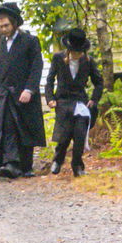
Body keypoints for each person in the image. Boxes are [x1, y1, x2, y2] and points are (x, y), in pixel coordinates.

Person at [0, 2, 46, 178]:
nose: (3, 29)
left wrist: (29, 89)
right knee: (7, 128)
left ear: (15, 23)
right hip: (4, 94)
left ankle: (26, 166)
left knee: (25, 128)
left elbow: (36, 67)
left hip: (23, 93)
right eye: (0, 26)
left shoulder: (29, 41)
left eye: (6, 25)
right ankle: (11, 163)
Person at [45, 27, 103, 176]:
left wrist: (94, 99)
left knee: (80, 134)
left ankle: (77, 166)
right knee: (64, 135)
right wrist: (50, 98)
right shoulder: (58, 58)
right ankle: (58, 160)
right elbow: (50, 80)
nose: (77, 55)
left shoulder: (88, 61)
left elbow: (98, 82)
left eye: (80, 52)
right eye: (75, 52)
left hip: (80, 102)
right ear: (69, 49)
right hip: (63, 101)